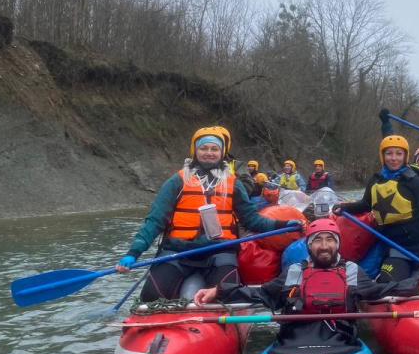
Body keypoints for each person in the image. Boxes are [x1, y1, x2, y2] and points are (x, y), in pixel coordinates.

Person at [194, 218, 419, 354]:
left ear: (337, 245)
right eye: (318, 240)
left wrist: (418, 285)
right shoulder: (294, 272)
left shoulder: (351, 270)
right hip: (291, 344)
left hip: (341, 343)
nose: (324, 246)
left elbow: (383, 291)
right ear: (309, 246)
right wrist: (219, 291)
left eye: (330, 240)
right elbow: (259, 293)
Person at [114, 127, 303, 301]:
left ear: (222, 153)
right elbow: (155, 220)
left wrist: (282, 226)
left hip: (220, 251)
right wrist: (134, 252)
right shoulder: (177, 180)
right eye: (204, 148)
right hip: (178, 251)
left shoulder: (233, 182)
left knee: (225, 295)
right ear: (195, 151)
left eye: (214, 149)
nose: (209, 153)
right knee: (150, 296)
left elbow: (252, 220)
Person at [336, 135, 419, 287]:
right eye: (389, 153)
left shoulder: (416, 182)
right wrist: (344, 207)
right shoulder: (375, 180)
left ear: (405, 156)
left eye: (399, 154)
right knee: (387, 285)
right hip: (397, 247)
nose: (394, 158)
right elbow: (366, 204)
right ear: (382, 156)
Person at [211, 125, 258, 197]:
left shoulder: (238, 165)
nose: (218, 145)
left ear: (227, 145)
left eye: (222, 142)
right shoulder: (193, 165)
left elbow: (247, 187)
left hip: (228, 203)